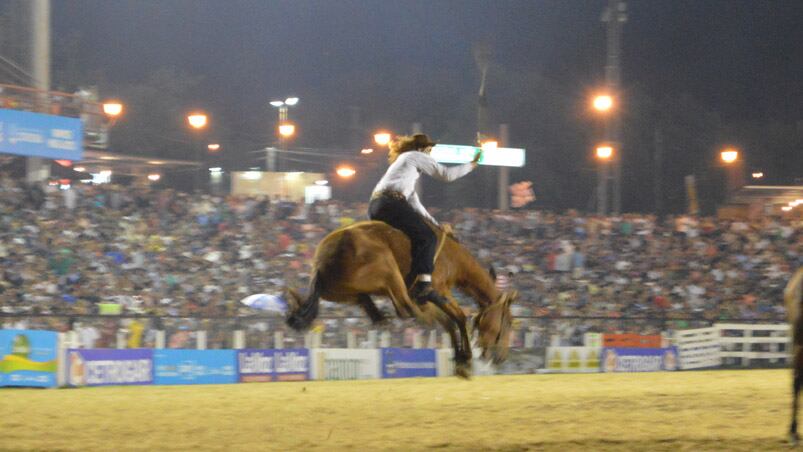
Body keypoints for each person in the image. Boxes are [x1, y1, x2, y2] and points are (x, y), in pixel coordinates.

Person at [368, 133, 481, 306]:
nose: (430, 155)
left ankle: (410, 281)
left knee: (419, 236)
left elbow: (416, 206)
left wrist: (437, 226)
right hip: (391, 203)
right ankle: (423, 286)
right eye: (430, 151)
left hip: (378, 205)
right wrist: (473, 164)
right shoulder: (416, 156)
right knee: (428, 238)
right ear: (424, 149)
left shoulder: (404, 171)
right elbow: (446, 175)